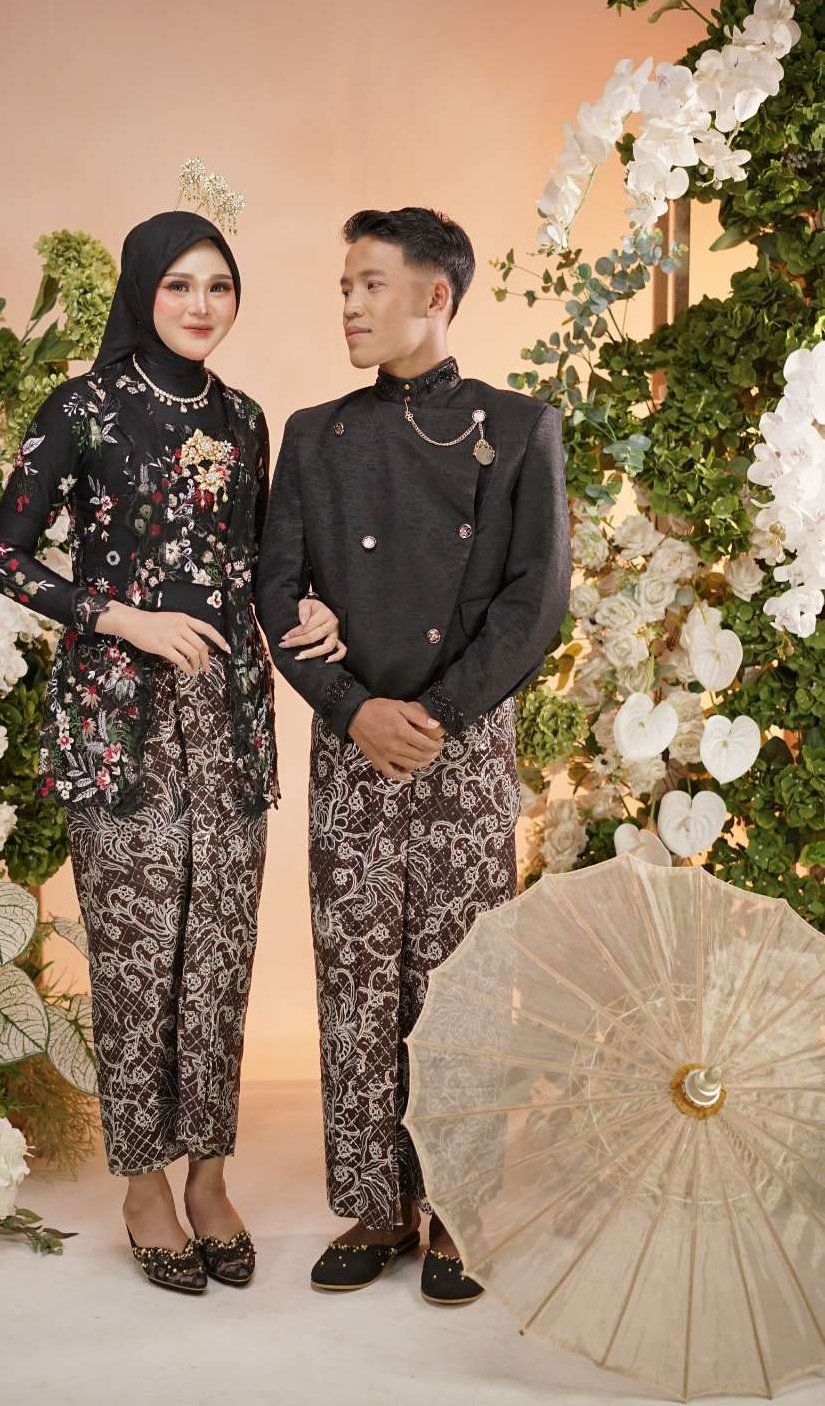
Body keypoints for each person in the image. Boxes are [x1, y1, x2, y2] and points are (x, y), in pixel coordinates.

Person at [0, 210, 345, 1294]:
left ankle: (210, 1178)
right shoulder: (82, 408)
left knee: (220, 955)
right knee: (139, 961)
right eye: (179, 284)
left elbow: (262, 564)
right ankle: (144, 1185)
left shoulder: (244, 418)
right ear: (142, 289)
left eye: (218, 285)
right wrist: (121, 619)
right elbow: (4, 557)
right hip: (119, 721)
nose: (200, 304)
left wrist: (312, 608)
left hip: (227, 717)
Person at [256, 206, 571, 1305]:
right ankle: (375, 1203)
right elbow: (275, 587)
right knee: (354, 974)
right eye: (343, 285)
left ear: (435, 296)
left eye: (371, 284)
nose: (349, 305)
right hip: (352, 742)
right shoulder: (313, 435)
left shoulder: (519, 427)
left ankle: (458, 1205)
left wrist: (432, 714)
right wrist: (353, 711)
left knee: (462, 977)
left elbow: (535, 602)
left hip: (463, 743)